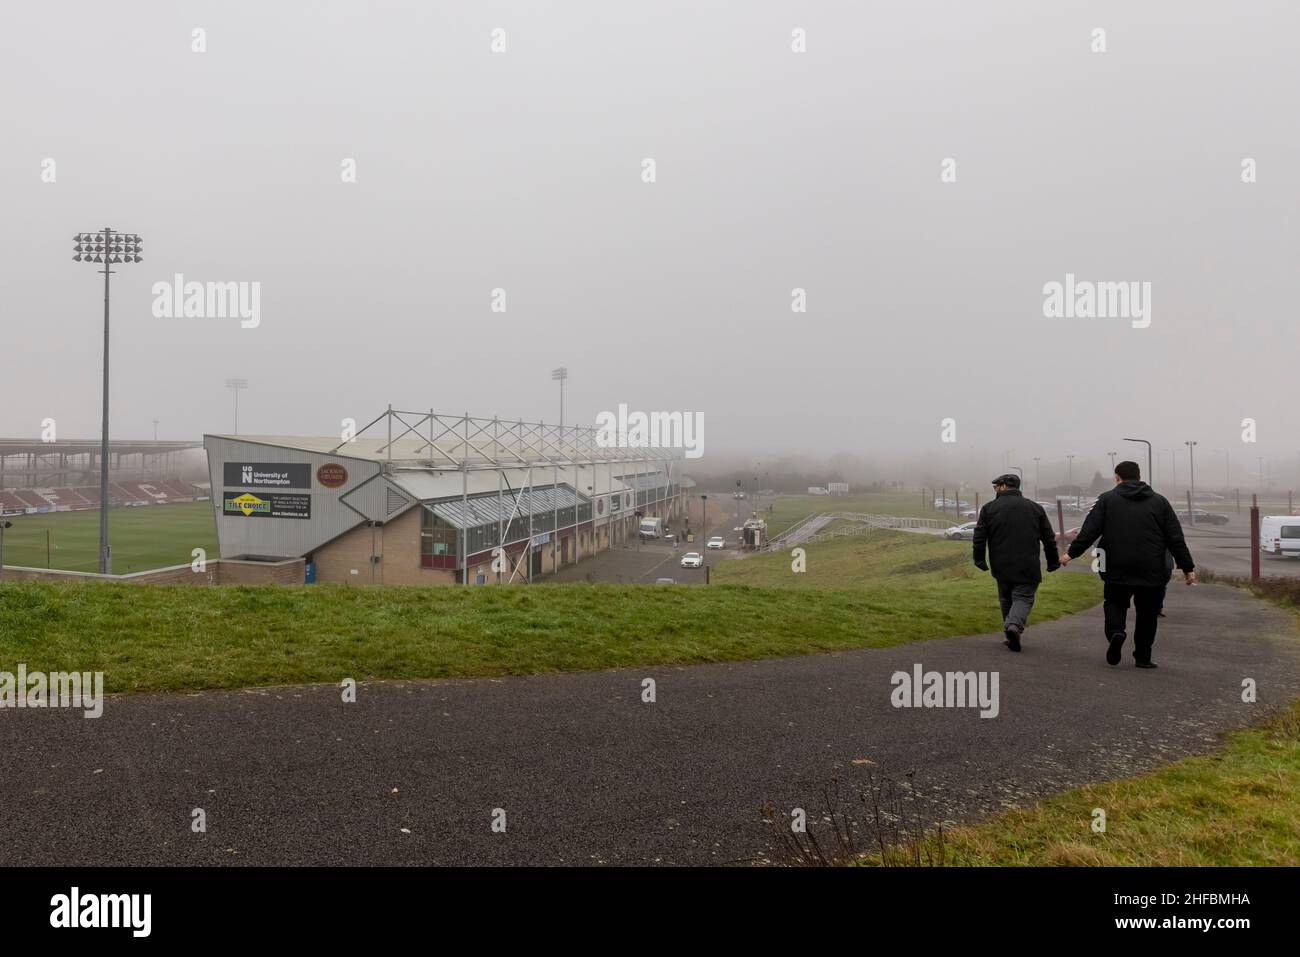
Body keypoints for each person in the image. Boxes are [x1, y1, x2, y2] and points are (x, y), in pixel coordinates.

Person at [1061, 461, 1195, 669]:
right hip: (1153, 568)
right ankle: (1143, 657)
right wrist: (1188, 568)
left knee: (1114, 603)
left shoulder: (1106, 500)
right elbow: (1175, 537)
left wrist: (1071, 554)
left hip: (1116, 565)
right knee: (1148, 615)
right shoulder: (1160, 502)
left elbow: (1089, 531)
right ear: (1139, 476)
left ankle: (1116, 632)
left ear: (1117, 477)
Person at [972, 473, 1060, 652]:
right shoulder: (1035, 508)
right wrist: (1052, 561)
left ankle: (1009, 633)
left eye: (996, 486)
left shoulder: (989, 508)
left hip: (1000, 564)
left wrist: (979, 559)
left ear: (1004, 486)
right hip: (1027, 564)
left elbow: (979, 537)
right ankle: (1013, 627)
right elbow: (1049, 538)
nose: (995, 490)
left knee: (1005, 598)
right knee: (1023, 597)